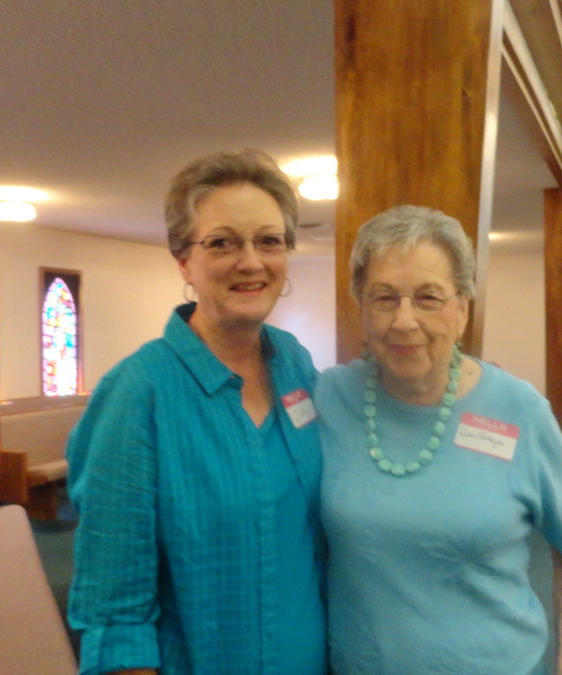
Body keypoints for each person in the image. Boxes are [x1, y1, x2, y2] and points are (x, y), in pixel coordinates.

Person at [66, 149, 325, 674]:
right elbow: (115, 616)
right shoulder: (138, 394)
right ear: (184, 259)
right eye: (223, 242)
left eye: (268, 241)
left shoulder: (296, 364)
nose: (250, 261)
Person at [316, 205, 562, 674]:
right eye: (384, 298)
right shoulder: (330, 398)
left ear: (462, 308)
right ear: (360, 306)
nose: (404, 321)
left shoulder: (520, 412)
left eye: (428, 298)